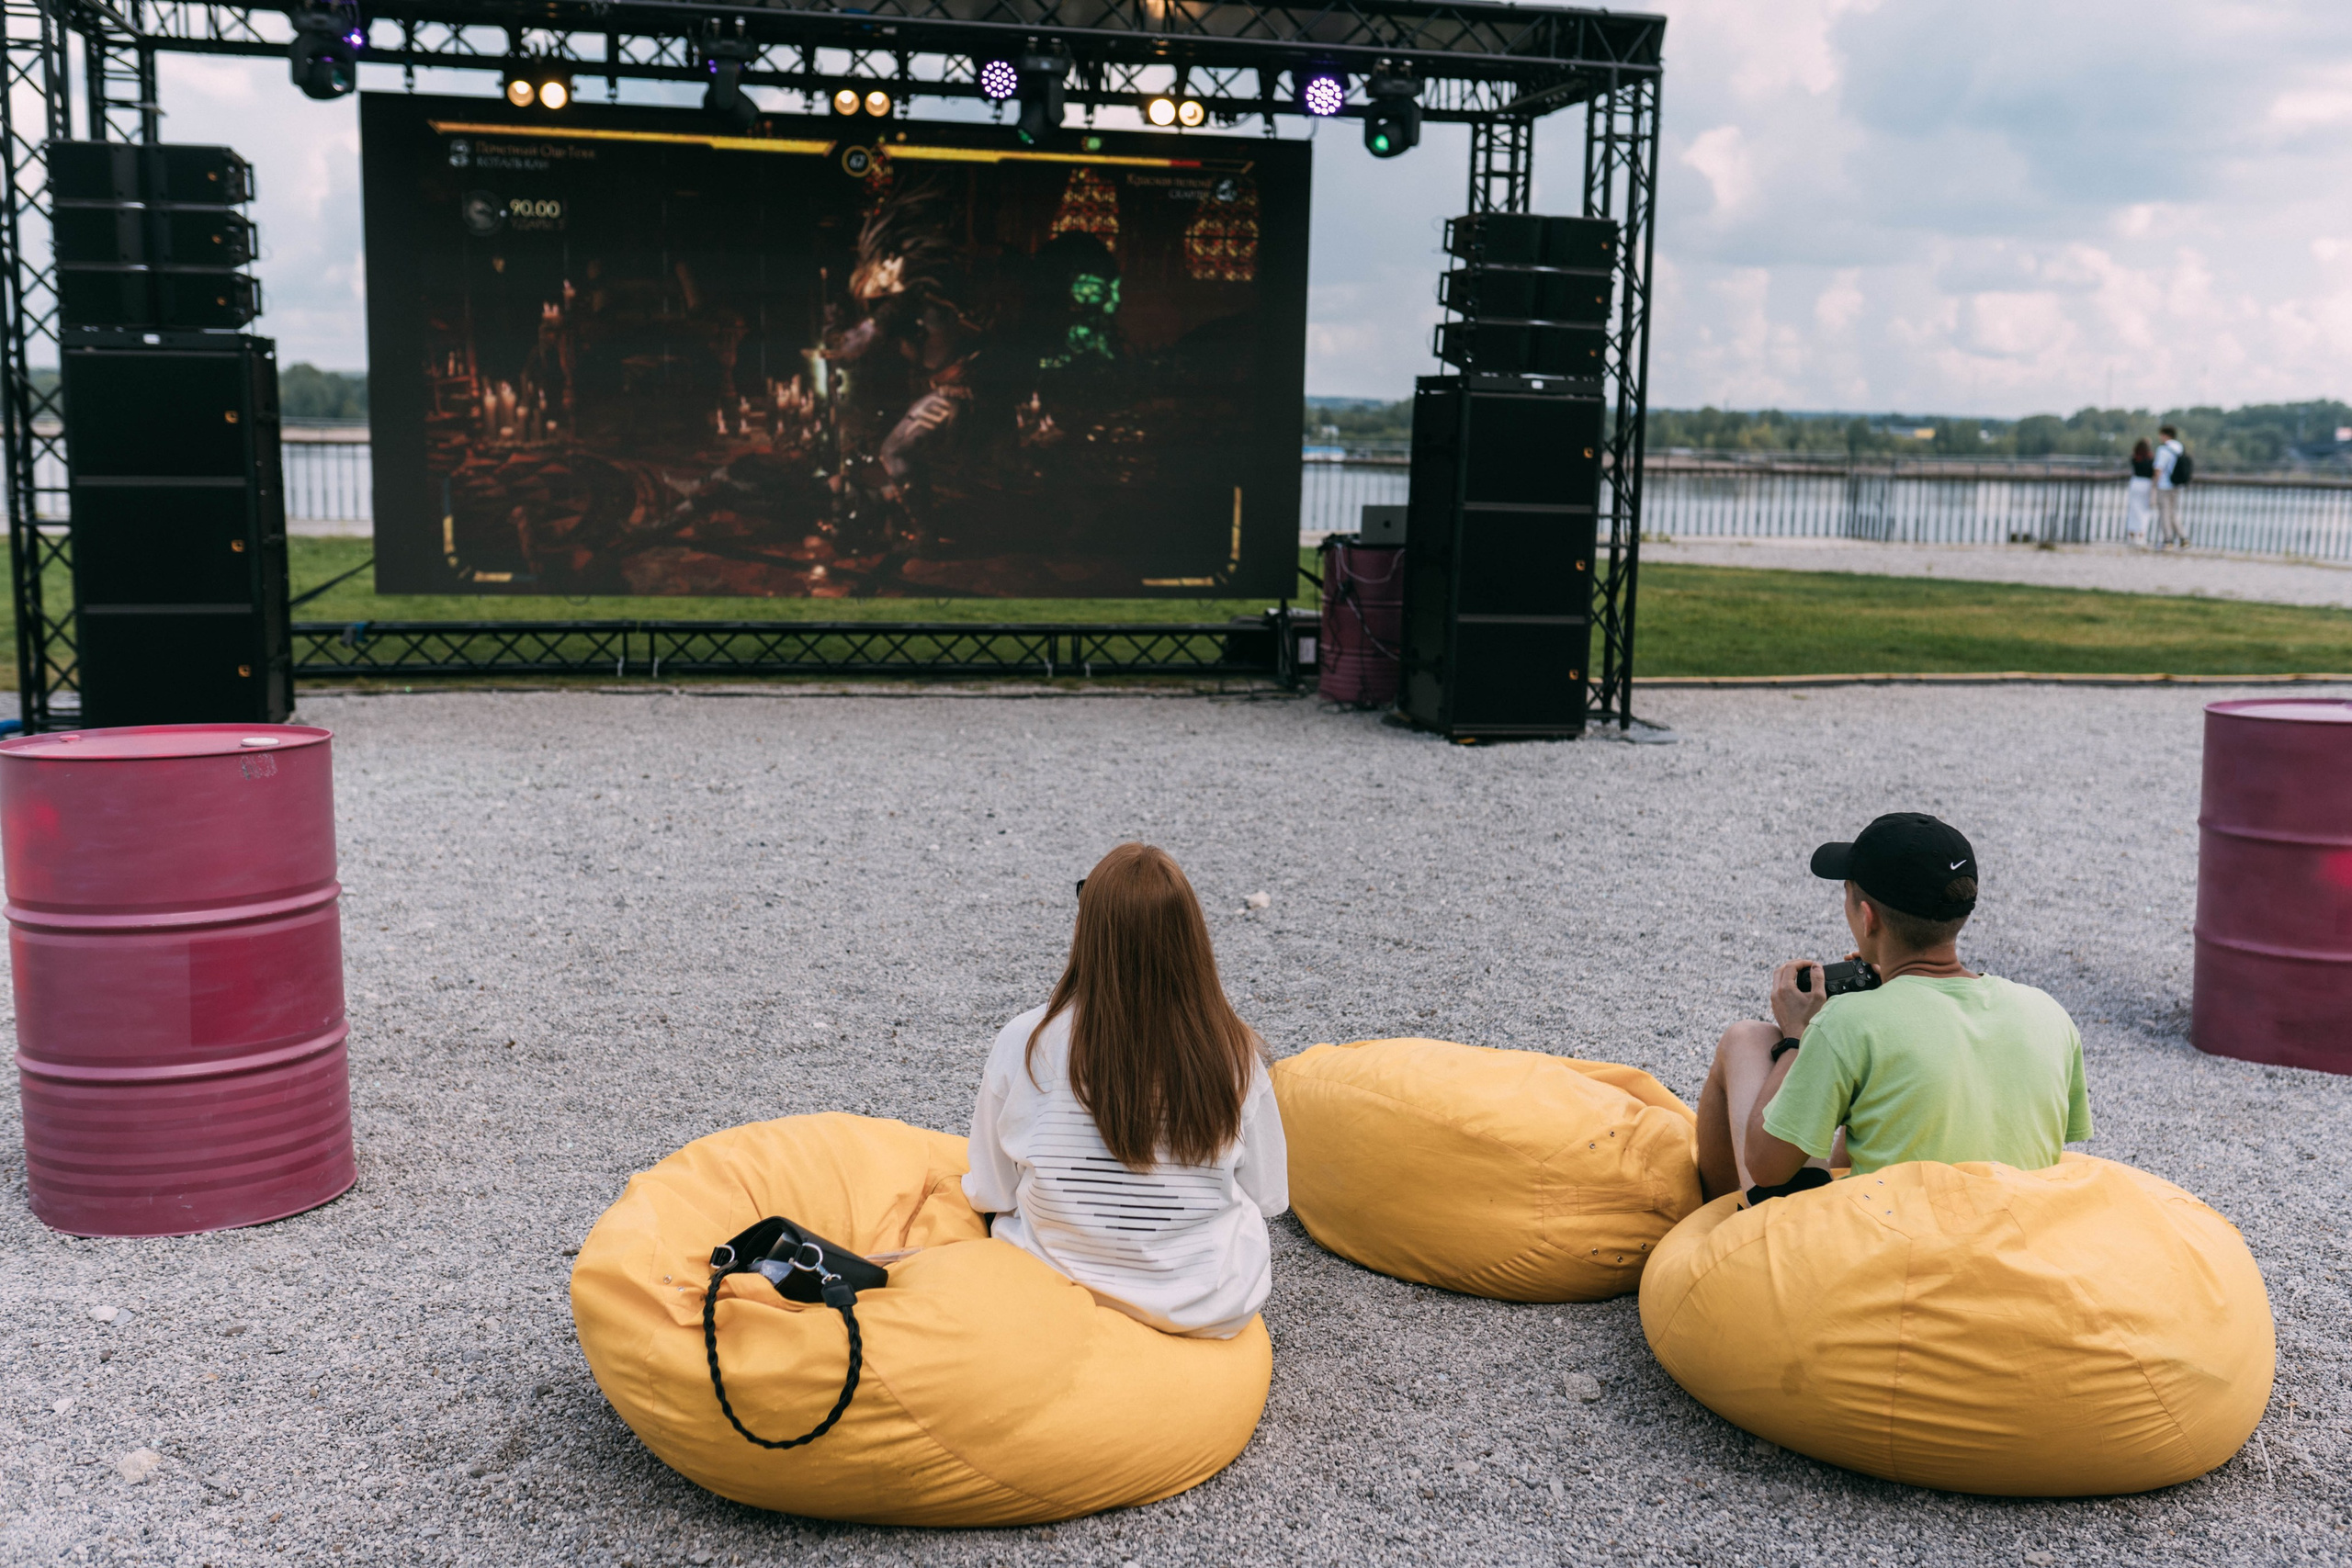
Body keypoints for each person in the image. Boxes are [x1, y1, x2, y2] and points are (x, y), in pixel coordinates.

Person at [964, 842, 1287, 1338]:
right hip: (1204, 1306)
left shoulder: (1026, 1041)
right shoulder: (1234, 1053)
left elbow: (991, 1190)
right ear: (1190, 936)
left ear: (1089, 930)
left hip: (1052, 1284)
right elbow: (1267, 1196)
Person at [1693, 813, 2091, 1202]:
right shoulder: (2049, 1014)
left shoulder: (1847, 1023)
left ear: (1868, 918)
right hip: (2015, 1226)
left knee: (1745, 1039)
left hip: (1895, 1237)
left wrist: (1797, 1038)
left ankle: (1709, 1225)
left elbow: (1766, 1168)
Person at [2152, 424, 2189, 549]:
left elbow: (2159, 468)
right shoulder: (2179, 447)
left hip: (2164, 485)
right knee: (2173, 512)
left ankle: (2168, 540)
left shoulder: (2163, 449)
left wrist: (2154, 485)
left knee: (2164, 513)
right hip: (2177, 485)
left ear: (2164, 435)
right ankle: (2183, 538)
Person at [2124, 438, 2155, 547]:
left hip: (2135, 483)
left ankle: (2132, 535)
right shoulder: (2151, 459)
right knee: (2144, 510)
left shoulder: (2135, 458)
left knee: (2133, 510)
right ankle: (2141, 536)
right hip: (2146, 484)